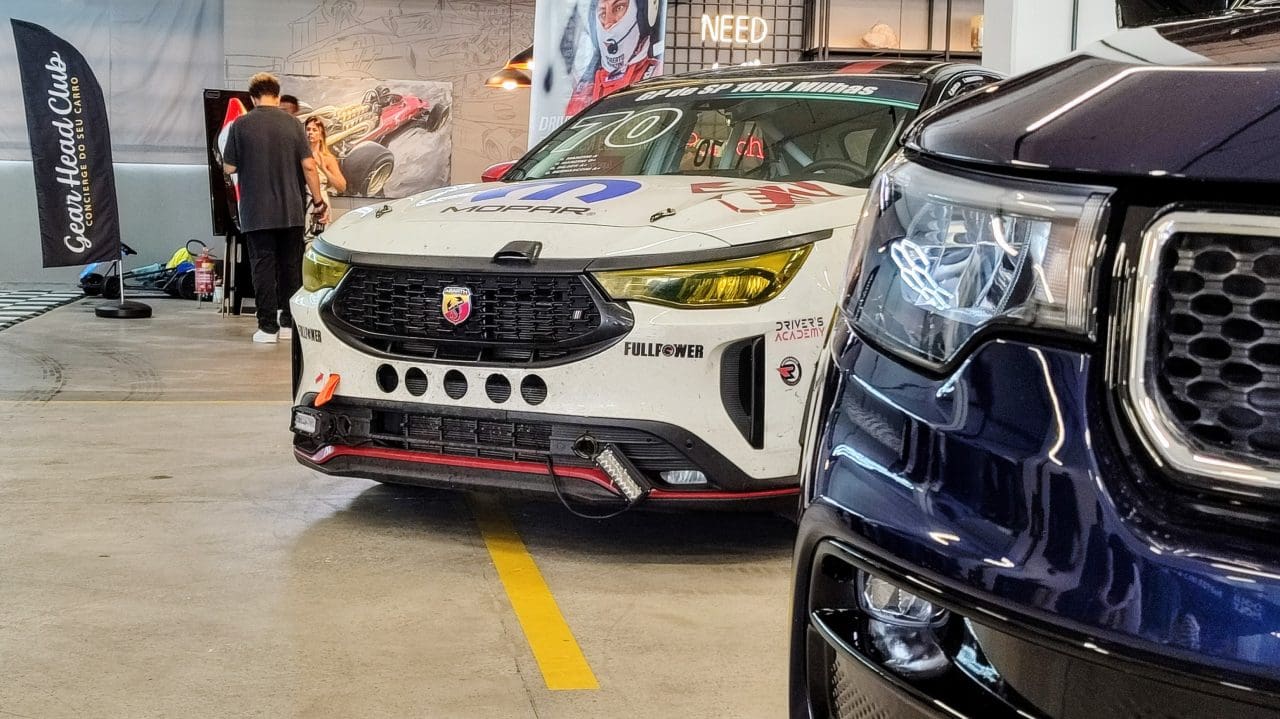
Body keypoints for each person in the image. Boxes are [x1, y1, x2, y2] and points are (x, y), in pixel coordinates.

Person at [222, 72, 329, 344]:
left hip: (256, 211)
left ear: (252, 98)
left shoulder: (240, 124)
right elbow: (309, 166)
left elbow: (229, 167)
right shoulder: (294, 124)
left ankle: (267, 328)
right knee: (291, 268)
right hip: (291, 210)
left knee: (262, 268)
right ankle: (289, 324)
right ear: (277, 96)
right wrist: (319, 201)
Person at [564, 0, 662, 117]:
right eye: (602, 14)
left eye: (618, 8)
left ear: (643, 14)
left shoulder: (657, 77)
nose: (608, 23)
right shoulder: (582, 94)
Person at [303, 116, 347, 238]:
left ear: (321, 134)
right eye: (308, 129)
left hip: (320, 204)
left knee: (317, 238)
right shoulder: (300, 156)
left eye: (314, 130)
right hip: (301, 202)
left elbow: (342, 187)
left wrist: (324, 169)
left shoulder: (327, 158)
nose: (310, 133)